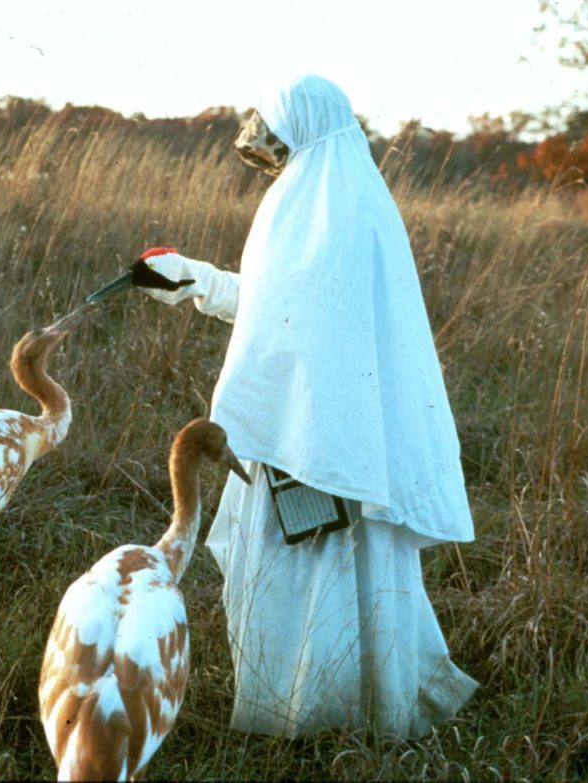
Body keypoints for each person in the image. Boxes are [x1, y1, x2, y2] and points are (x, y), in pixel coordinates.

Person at [135, 74, 478, 739]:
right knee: (330, 565)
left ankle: (312, 718)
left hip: (315, 432)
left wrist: (202, 287)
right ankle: (336, 710)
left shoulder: (335, 209)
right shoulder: (333, 198)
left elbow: (299, 315)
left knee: (313, 563)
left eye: (278, 146)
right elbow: (279, 302)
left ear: (304, 134)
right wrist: (196, 279)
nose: (273, 163)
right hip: (320, 426)